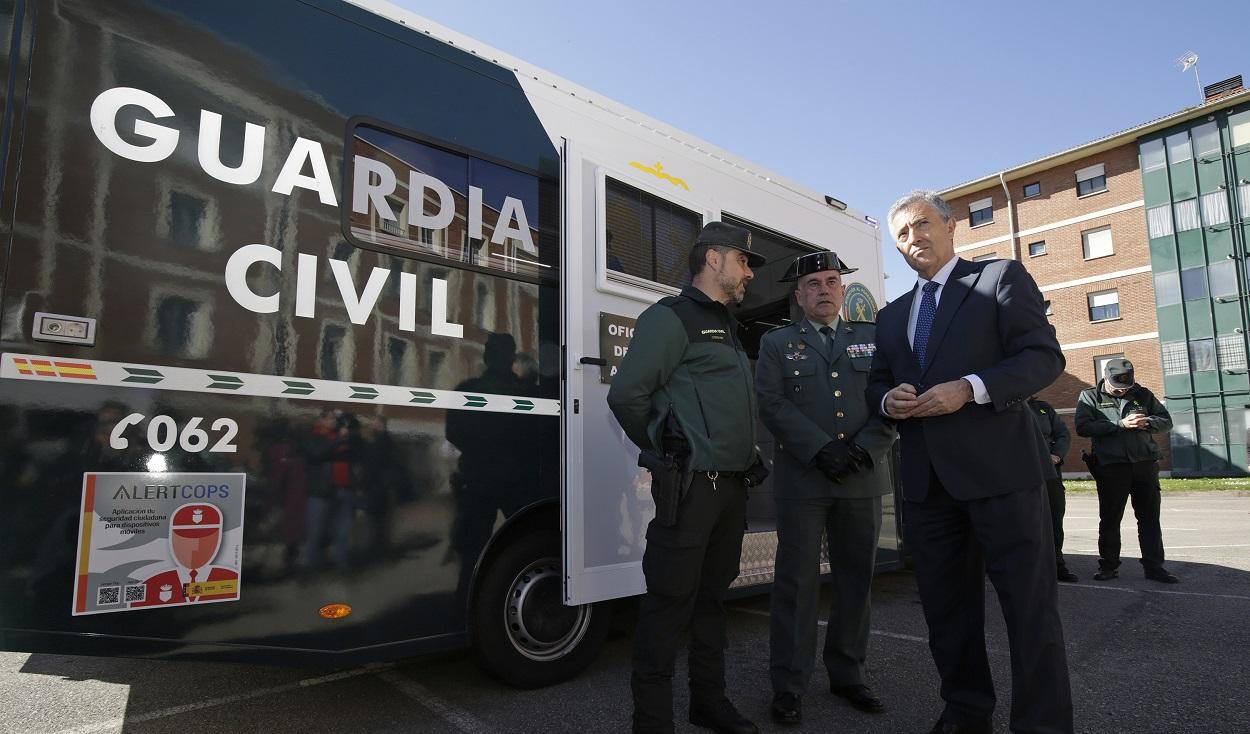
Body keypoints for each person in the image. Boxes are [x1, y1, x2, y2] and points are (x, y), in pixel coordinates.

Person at [866, 190, 1073, 734]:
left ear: (950, 225)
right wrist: (887, 401)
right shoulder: (891, 316)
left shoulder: (998, 278)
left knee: (1029, 612)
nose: (913, 239)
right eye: (902, 234)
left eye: (921, 224)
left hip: (1004, 477)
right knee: (947, 614)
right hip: (928, 487)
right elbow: (877, 384)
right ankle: (965, 712)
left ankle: (1043, 725)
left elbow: (1043, 357)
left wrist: (972, 387)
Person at [607, 221, 767, 734]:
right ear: (714, 259)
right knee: (667, 606)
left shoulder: (729, 325)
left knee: (712, 601)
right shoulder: (670, 317)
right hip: (693, 488)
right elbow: (626, 395)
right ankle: (652, 723)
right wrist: (666, 447)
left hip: (731, 489)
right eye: (744, 261)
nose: (749, 273)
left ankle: (708, 703)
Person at [755, 251, 896, 725]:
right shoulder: (777, 342)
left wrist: (864, 449)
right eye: (813, 284)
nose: (824, 290)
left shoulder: (872, 339)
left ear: (842, 289)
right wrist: (819, 449)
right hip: (804, 480)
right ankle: (789, 684)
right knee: (796, 584)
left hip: (861, 475)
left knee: (856, 580)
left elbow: (891, 400)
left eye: (832, 281)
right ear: (798, 296)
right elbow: (771, 403)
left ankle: (848, 675)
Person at [1074, 357, 1178, 584]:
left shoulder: (1143, 394)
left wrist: (1148, 422)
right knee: (1110, 519)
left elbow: (1166, 421)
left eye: (1126, 387)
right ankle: (1108, 566)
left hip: (1144, 464)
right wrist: (1120, 424)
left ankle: (1154, 567)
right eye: (1118, 387)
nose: (1122, 391)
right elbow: (1083, 427)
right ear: (1106, 377)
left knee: (1150, 518)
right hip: (1111, 467)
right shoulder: (1090, 396)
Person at [1028, 396, 1078, 582]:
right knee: (1026, 522)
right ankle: (1029, 568)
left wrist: (1057, 455)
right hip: (1021, 474)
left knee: (1055, 518)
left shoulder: (1043, 408)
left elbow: (1063, 434)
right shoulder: (1004, 407)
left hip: (1050, 473)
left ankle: (1057, 564)